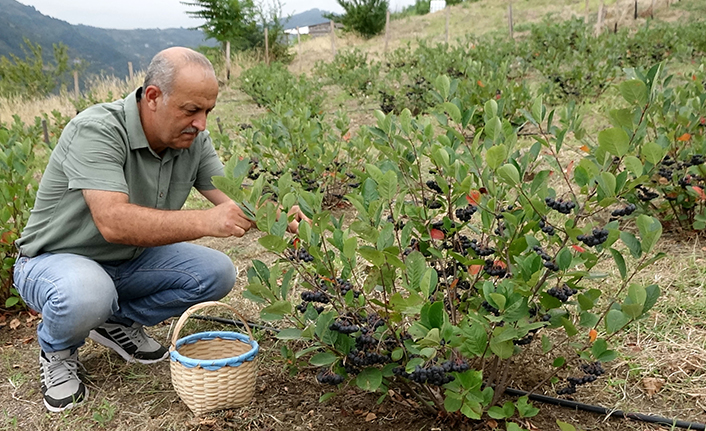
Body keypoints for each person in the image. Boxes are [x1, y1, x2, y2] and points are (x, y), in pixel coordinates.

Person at [13, 47, 305, 412]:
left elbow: (234, 196)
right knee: (87, 292)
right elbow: (113, 222)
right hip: (55, 261)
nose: (202, 124)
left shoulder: (193, 140)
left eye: (207, 111)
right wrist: (206, 222)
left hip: (127, 263)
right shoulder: (97, 130)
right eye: (191, 110)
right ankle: (57, 351)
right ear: (153, 97)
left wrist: (283, 216)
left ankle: (115, 322)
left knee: (217, 272)